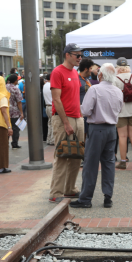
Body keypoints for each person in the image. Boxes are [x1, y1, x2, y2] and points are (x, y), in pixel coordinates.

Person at [71, 63, 123, 209]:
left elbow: (86, 111)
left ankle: (86, 198)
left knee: (90, 164)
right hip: (112, 129)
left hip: (96, 129)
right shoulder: (118, 91)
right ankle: (108, 197)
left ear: (100, 75)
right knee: (109, 163)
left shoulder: (95, 89)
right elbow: (119, 109)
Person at [48, 43, 86, 203]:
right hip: (64, 119)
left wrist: (80, 118)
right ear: (67, 55)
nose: (80, 58)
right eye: (77, 55)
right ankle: (55, 192)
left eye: (81, 55)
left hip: (77, 117)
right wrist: (66, 122)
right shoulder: (58, 72)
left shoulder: (75, 72)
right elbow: (56, 99)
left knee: (77, 155)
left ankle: (70, 189)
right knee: (62, 155)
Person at [113, 58, 132, 169]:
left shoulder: (115, 79)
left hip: (121, 111)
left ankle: (123, 161)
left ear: (117, 68)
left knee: (122, 136)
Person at [6, 74, 24, 148]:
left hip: (5, 111)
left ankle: (5, 143)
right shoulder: (16, 89)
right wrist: (21, 113)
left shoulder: (4, 87)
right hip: (14, 112)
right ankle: (14, 143)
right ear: (15, 81)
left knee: (7, 127)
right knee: (15, 128)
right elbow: (19, 102)